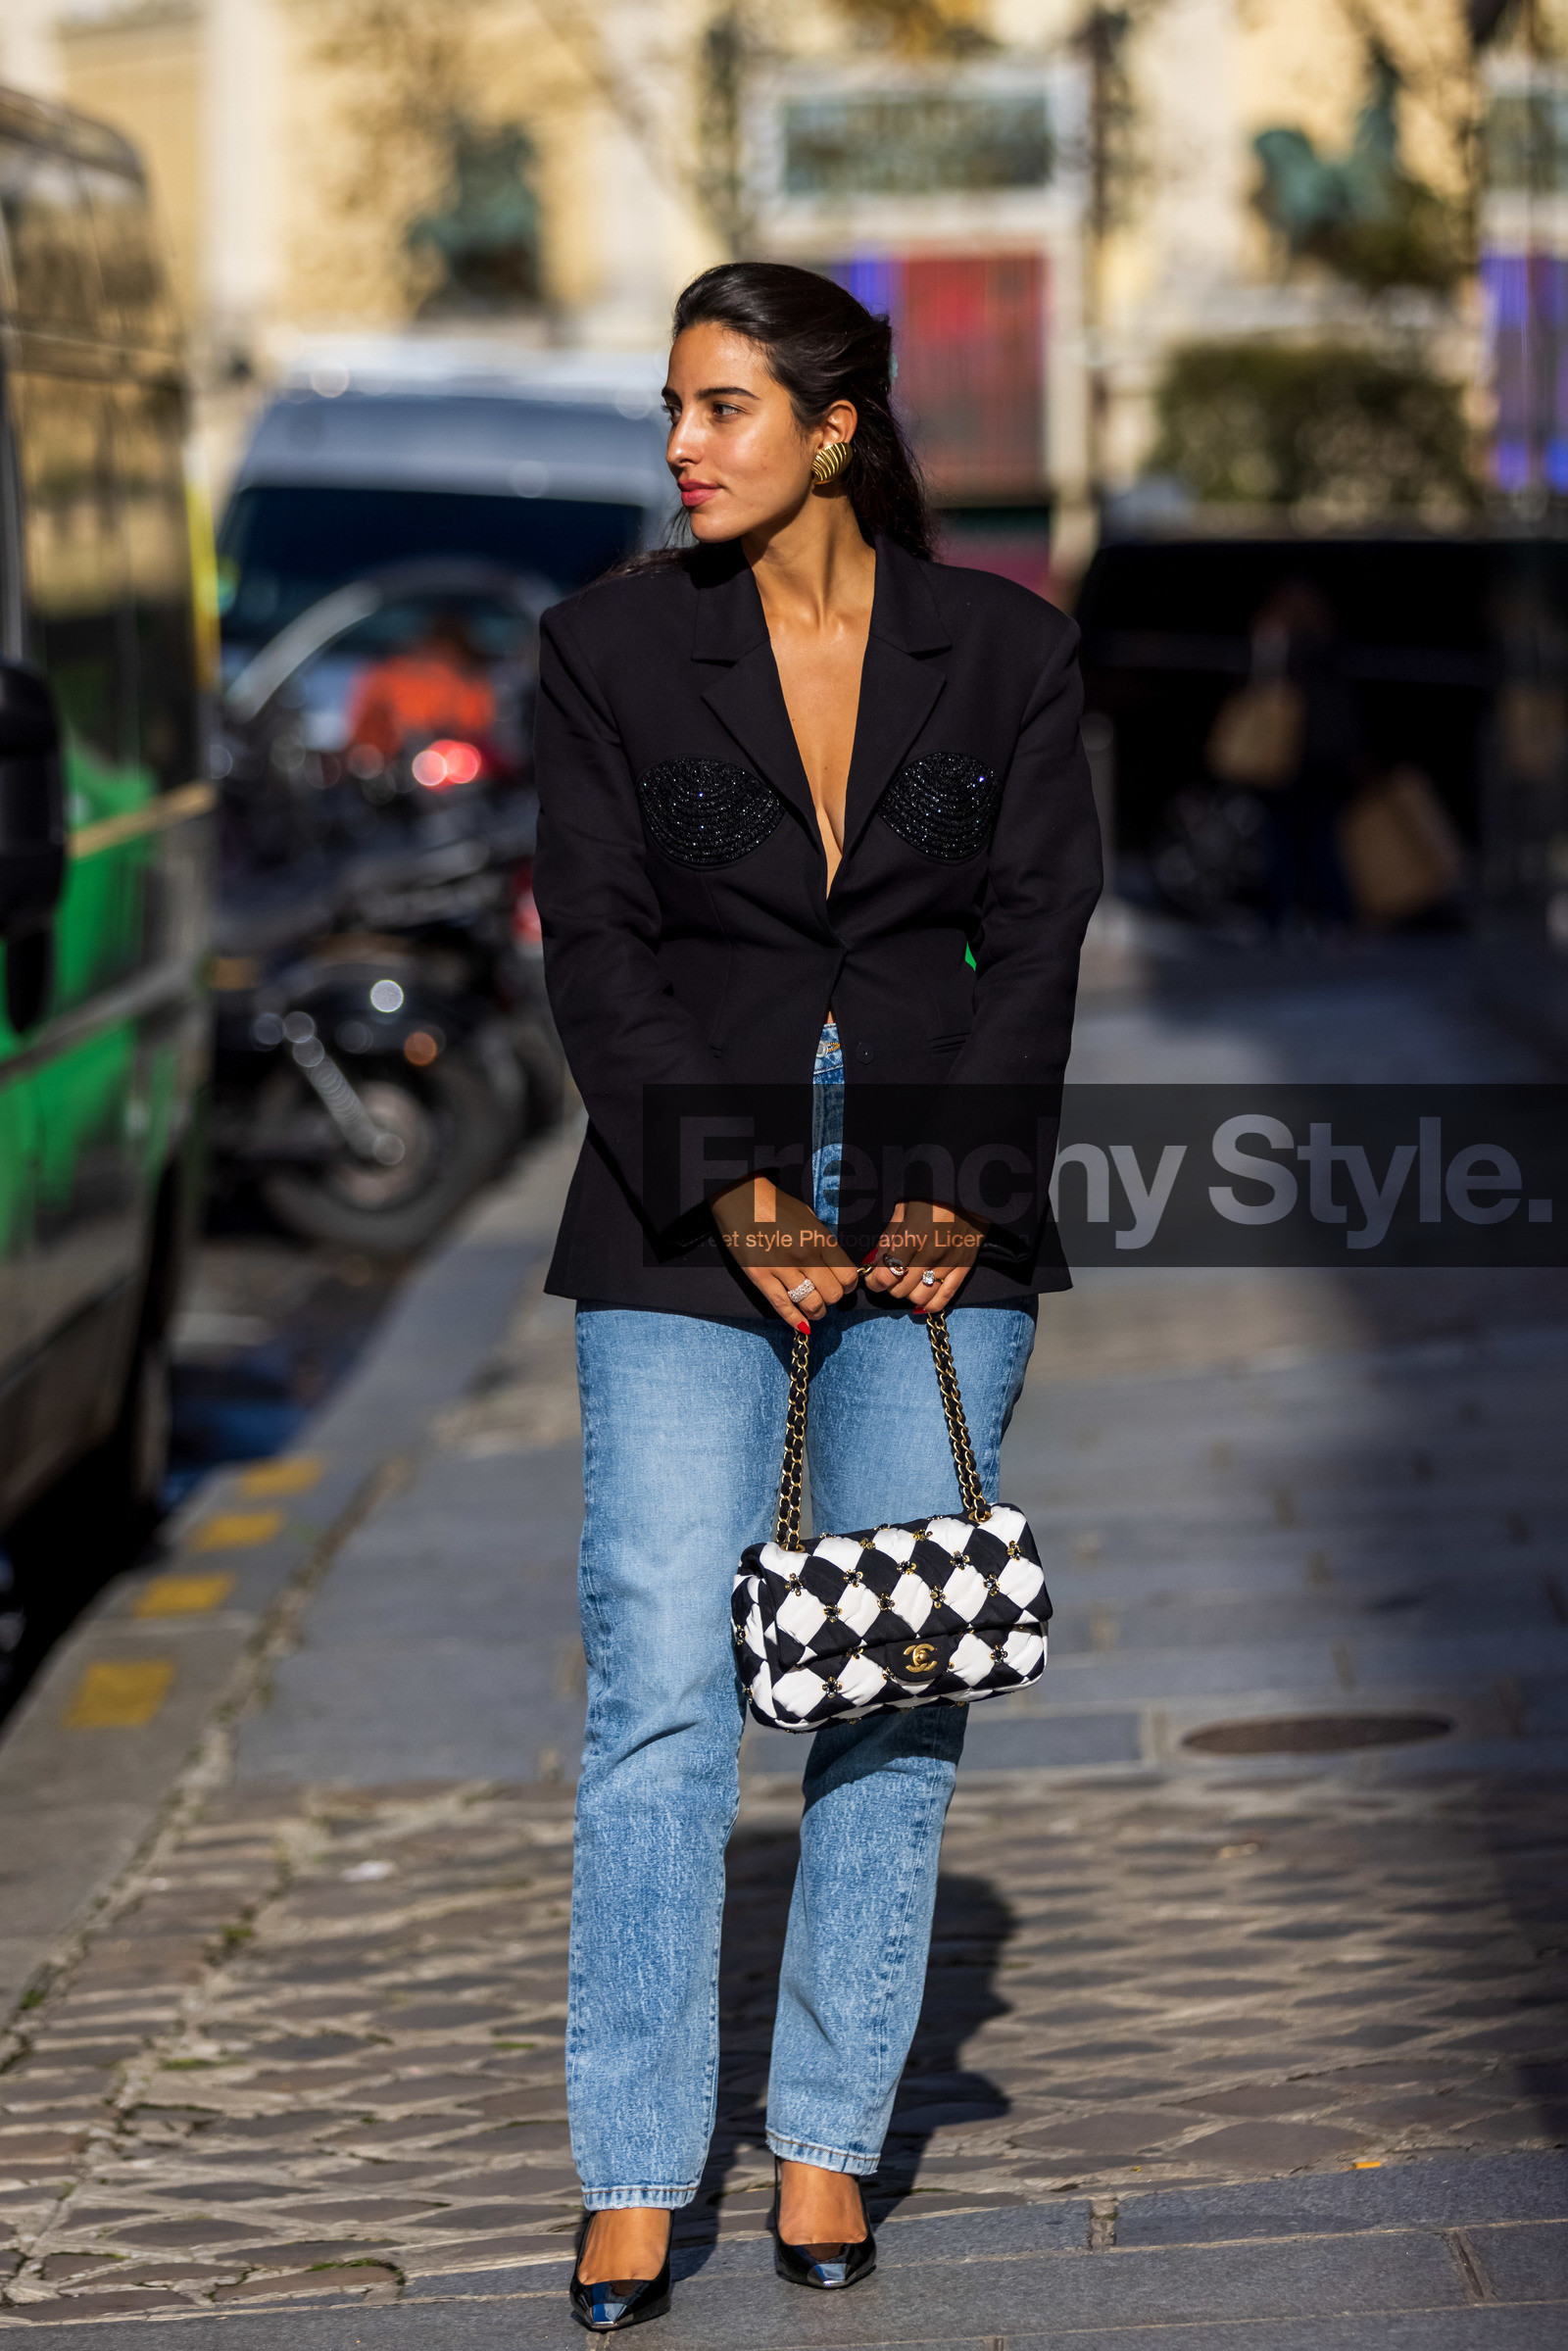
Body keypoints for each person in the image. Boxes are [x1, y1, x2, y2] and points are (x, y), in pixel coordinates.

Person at [533, 261, 1101, 2332]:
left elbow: (1039, 930)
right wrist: (731, 1190)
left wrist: (958, 1181)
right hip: (682, 1208)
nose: (680, 447)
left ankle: (830, 2144)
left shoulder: (1007, 655)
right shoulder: (599, 650)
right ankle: (629, 2168)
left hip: (945, 1212)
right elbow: (591, 943)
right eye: (670, 411)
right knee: (662, 1677)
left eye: (719, 410)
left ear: (833, 429)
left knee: (889, 1676)